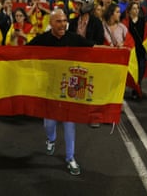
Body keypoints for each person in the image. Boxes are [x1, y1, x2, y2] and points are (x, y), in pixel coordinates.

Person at [28, 9, 95, 176]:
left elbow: (94, 48)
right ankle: (50, 139)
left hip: (69, 87)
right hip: (49, 88)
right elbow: (22, 52)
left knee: (69, 124)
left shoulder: (73, 38)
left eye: (65, 20)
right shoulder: (42, 39)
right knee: (49, 124)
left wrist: (118, 51)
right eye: (58, 21)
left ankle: (70, 157)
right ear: (50, 23)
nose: (63, 24)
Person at [122, 1, 147, 100]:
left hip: (140, 50)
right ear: (129, 11)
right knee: (133, 70)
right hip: (131, 50)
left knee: (141, 71)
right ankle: (136, 90)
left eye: (137, 8)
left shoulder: (142, 22)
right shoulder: (125, 22)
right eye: (134, 8)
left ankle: (137, 87)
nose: (136, 10)